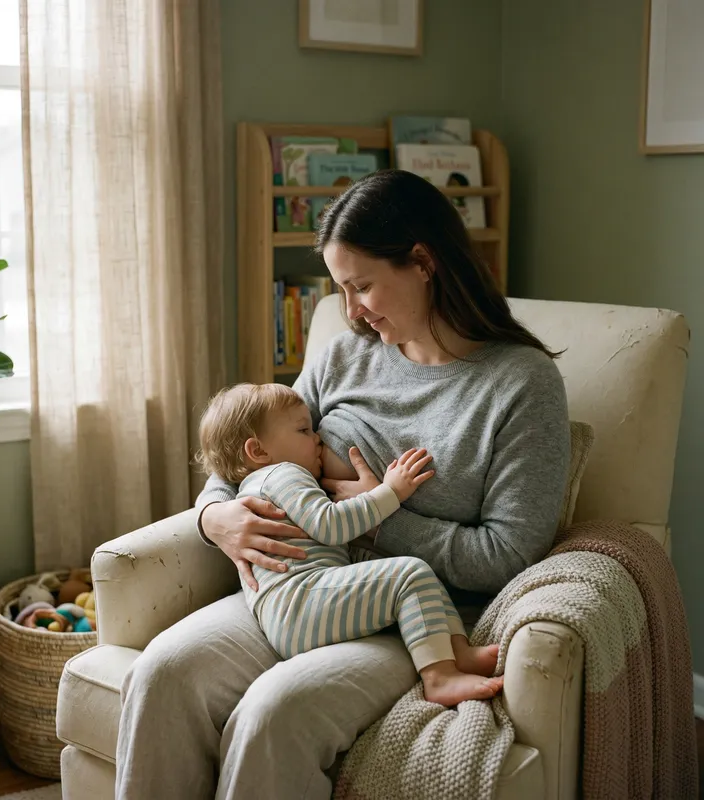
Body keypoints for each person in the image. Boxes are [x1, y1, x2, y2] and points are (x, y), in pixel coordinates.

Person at [116, 169, 571, 800]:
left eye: (361, 287)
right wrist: (213, 519)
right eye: (341, 289)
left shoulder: (520, 385)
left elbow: (509, 554)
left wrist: (376, 513)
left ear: (422, 261)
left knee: (274, 714)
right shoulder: (343, 355)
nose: (349, 311)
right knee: (162, 673)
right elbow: (243, 458)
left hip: (410, 617)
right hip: (295, 588)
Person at [195, 382, 504, 705]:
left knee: (416, 574)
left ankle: (457, 652)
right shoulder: (282, 475)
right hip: (299, 604)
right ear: (258, 451)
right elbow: (330, 526)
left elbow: (324, 546)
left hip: (293, 607)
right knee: (410, 575)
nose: (317, 438)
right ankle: (440, 677)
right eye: (304, 430)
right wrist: (390, 493)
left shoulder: (259, 485)